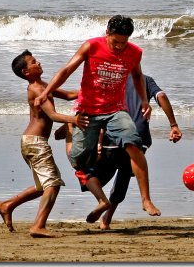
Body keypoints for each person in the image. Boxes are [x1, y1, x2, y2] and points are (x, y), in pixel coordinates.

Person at [35, 15, 160, 223]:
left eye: (124, 42)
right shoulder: (92, 46)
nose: (120, 47)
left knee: (133, 142)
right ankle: (69, 128)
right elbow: (66, 70)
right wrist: (45, 92)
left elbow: (138, 76)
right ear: (107, 33)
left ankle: (146, 199)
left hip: (116, 110)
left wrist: (144, 101)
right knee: (78, 159)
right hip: (88, 111)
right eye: (116, 41)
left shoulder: (134, 52)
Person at [55, 74, 182, 230]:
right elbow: (161, 96)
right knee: (124, 175)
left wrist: (69, 127)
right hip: (140, 137)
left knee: (85, 171)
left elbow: (91, 107)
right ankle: (108, 219)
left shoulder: (107, 79)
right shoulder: (145, 79)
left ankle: (102, 201)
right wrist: (173, 125)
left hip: (113, 137)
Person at [0, 50, 88, 238]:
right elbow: (52, 115)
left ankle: (7, 205)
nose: (38, 63)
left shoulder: (44, 86)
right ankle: (38, 226)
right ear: (26, 72)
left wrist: (94, 91)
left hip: (33, 142)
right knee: (52, 183)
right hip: (35, 143)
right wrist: (74, 120)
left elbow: (70, 94)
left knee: (42, 186)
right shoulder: (36, 89)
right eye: (33, 62)